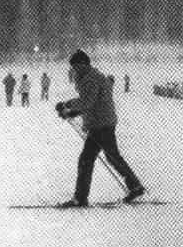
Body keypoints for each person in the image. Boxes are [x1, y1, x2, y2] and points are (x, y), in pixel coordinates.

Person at [56, 50, 144, 206]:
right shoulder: (87, 77)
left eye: (76, 66)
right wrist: (72, 113)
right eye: (73, 67)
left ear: (84, 63)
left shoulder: (91, 79)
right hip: (99, 123)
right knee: (96, 158)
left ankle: (82, 197)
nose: (74, 69)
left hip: (102, 124)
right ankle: (134, 187)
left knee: (102, 158)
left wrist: (67, 105)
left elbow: (87, 102)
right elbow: (90, 103)